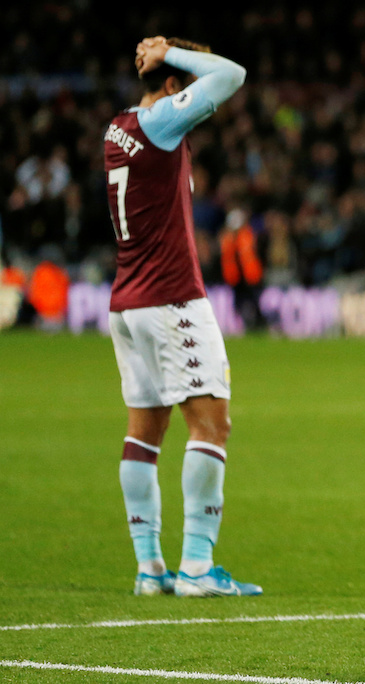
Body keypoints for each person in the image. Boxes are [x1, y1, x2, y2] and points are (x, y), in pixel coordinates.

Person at [104, 36, 260, 597]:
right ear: (171, 86)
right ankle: (196, 567)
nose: (198, 101)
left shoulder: (118, 126)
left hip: (127, 302)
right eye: (186, 89)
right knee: (212, 425)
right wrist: (169, 50)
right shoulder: (158, 126)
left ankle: (150, 570)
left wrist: (167, 57)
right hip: (169, 300)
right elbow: (232, 73)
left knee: (144, 434)